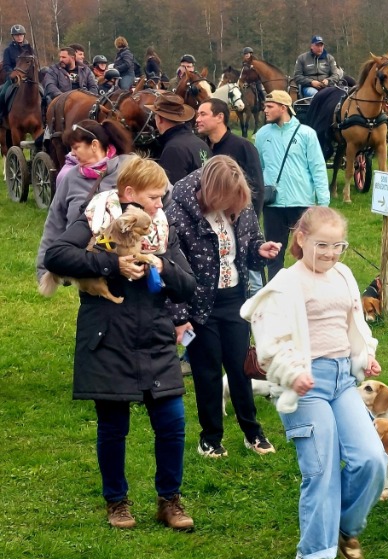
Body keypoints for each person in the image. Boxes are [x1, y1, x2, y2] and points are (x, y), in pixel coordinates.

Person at [43, 156, 196, 530]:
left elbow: (188, 285)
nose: (160, 204)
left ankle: (169, 501)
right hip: (108, 336)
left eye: (161, 197)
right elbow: (56, 255)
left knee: (172, 423)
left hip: (155, 337)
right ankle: (117, 502)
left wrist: (162, 265)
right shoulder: (95, 217)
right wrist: (113, 264)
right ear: (129, 193)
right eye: (154, 197)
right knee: (113, 427)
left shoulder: (162, 229)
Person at [240, 206, 387, 559]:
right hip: (306, 385)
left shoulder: (344, 275)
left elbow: (354, 324)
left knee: (372, 459)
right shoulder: (286, 284)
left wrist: (364, 357)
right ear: (301, 238)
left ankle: (345, 527)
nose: (331, 253)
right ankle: (311, 558)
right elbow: (268, 344)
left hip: (342, 381)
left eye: (339, 246)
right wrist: (294, 373)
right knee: (321, 470)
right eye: (323, 245)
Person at [167, 155, 280, 458]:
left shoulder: (241, 205)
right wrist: (179, 318)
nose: (234, 206)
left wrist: (260, 250)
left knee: (241, 366)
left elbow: (251, 244)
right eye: (227, 200)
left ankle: (252, 432)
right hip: (198, 307)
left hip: (235, 300)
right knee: (206, 372)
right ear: (212, 192)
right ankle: (210, 438)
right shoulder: (178, 212)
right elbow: (171, 272)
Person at [37, 119, 134, 282]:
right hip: (86, 267)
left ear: (94, 145)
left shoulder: (129, 167)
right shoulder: (70, 178)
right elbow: (54, 223)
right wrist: (43, 269)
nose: (72, 154)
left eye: (76, 147)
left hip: (128, 264)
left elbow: (161, 195)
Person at [254, 90, 329, 281]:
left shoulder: (306, 134)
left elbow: (318, 168)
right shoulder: (261, 135)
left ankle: (308, 288)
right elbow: (258, 168)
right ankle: (275, 291)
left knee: (306, 252)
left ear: (283, 108)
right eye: (265, 106)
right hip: (273, 205)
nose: (265, 110)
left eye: (269, 106)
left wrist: (323, 203)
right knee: (273, 254)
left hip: (301, 203)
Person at [195, 97, 266, 293]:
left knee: (252, 276)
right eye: (197, 114)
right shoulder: (201, 148)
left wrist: (247, 222)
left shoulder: (243, 147)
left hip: (239, 222)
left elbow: (256, 188)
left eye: (203, 114)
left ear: (220, 117)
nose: (197, 119)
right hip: (210, 226)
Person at [145, 93, 209, 185]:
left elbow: (171, 189)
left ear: (159, 119)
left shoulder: (173, 149)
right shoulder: (201, 143)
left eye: (155, 116)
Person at [0, 24, 35, 121]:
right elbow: (6, 65)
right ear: (13, 37)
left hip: (29, 78)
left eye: (21, 35)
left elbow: (34, 64)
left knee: (43, 93)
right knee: (2, 94)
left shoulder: (29, 49)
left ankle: (44, 116)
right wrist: (12, 74)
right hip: (14, 78)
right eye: (16, 35)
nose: (19, 37)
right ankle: (2, 116)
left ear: (24, 35)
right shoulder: (8, 50)